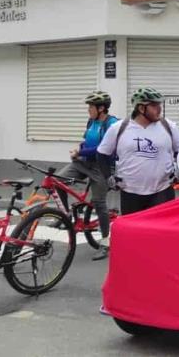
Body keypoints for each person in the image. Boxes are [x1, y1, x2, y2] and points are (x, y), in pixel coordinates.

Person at [97, 87, 179, 216]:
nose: (159, 108)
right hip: (130, 192)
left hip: (162, 191)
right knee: (134, 233)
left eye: (159, 104)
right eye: (154, 105)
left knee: (160, 232)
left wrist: (178, 169)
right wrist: (109, 177)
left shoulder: (169, 126)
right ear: (141, 108)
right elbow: (102, 153)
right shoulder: (118, 128)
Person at [56, 91, 119, 260]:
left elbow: (103, 148)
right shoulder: (91, 121)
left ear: (101, 108)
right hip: (84, 162)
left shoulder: (112, 124)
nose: (88, 109)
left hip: (102, 166)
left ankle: (106, 243)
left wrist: (81, 151)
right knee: (57, 182)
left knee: (99, 203)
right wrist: (78, 148)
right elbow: (86, 140)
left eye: (91, 106)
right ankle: (66, 215)